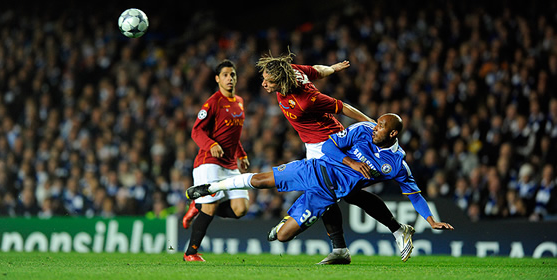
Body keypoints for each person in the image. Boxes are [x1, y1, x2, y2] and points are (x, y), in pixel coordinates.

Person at [186, 113, 455, 262]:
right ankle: (212, 186)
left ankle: (296, 220)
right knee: (260, 180)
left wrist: (431, 220)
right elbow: (328, 146)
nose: (375, 128)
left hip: (324, 194)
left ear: (393, 134)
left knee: (282, 237)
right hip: (313, 169)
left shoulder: (396, 164)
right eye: (377, 123)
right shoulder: (362, 130)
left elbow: (415, 194)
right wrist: (349, 161)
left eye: (381, 126)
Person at [255, 51, 412, 263]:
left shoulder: (307, 99)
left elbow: (342, 107)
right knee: (343, 194)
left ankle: (380, 235)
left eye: (268, 80)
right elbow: (318, 70)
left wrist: (370, 124)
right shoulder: (292, 72)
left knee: (330, 192)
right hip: (313, 145)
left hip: (328, 143)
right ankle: (345, 248)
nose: (263, 83)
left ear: (281, 79)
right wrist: (333, 68)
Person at [181, 60, 250, 262]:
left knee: (241, 209)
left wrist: (241, 154)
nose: (230, 78)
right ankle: (190, 253)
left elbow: (232, 135)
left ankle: (198, 205)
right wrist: (210, 144)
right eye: (226, 75)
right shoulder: (213, 102)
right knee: (210, 207)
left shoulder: (239, 101)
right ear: (217, 79)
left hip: (229, 163)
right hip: (208, 161)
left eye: (233, 75)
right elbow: (196, 131)